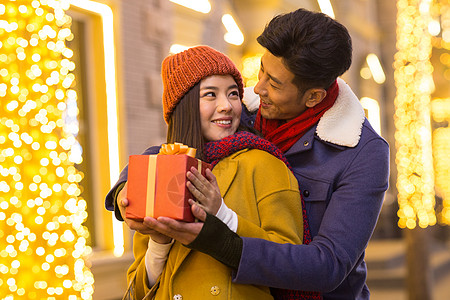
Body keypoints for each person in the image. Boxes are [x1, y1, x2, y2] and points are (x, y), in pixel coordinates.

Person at [107, 8, 389, 300]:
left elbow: (327, 266)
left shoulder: (361, 153)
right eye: (262, 71)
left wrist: (220, 233)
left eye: (275, 84)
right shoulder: (248, 112)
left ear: (313, 96)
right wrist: (128, 189)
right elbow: (186, 139)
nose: (258, 88)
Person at [119, 45, 309, 299]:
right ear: (183, 106)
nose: (226, 106)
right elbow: (141, 289)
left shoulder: (264, 164)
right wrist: (159, 242)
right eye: (210, 95)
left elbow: (291, 263)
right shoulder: (162, 169)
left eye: (233, 94)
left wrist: (222, 213)